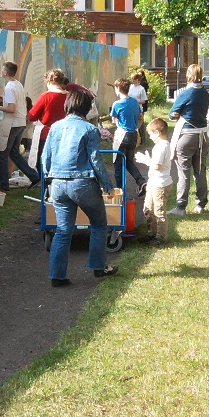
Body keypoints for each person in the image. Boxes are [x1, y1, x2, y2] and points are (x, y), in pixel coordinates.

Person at [42, 89, 118, 287]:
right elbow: (95, 161)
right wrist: (108, 186)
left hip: (57, 183)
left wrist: (49, 180)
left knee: (63, 230)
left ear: (68, 104)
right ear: (86, 107)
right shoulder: (90, 130)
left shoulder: (55, 127)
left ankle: (56, 277)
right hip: (82, 183)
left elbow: (45, 158)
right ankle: (98, 267)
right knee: (99, 224)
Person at [0, 61, 40, 191]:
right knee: (14, 153)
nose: (1, 71)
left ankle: (3, 185)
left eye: (2, 69)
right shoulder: (17, 85)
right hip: (20, 123)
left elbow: (11, 108)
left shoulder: (9, 87)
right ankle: (34, 176)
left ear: (6, 72)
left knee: (2, 153)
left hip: (12, 124)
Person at [168, 64, 209, 216]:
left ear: (189, 75)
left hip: (187, 135)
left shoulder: (186, 93)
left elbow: (172, 114)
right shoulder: (205, 93)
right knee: (200, 171)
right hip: (203, 135)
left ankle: (181, 207)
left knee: (184, 172)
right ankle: (201, 205)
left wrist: (177, 115)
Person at [135, 117, 173, 244]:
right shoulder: (159, 146)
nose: (150, 137)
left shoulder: (162, 146)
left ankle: (160, 238)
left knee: (158, 211)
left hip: (160, 184)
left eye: (151, 134)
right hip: (153, 182)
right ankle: (152, 234)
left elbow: (157, 165)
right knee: (148, 209)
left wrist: (144, 160)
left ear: (157, 132)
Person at [27, 68, 70, 171]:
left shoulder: (46, 96)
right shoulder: (69, 96)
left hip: (47, 133)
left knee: (43, 163)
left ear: (49, 81)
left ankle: (45, 185)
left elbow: (32, 116)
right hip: (66, 133)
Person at [110, 78, 146, 196]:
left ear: (118, 89)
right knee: (129, 162)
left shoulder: (117, 104)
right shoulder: (135, 102)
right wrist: (136, 127)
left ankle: (120, 191)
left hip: (122, 135)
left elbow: (114, 120)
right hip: (133, 134)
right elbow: (141, 117)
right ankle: (140, 181)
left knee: (118, 164)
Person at [129, 70, 150, 145]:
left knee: (139, 124)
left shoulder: (141, 89)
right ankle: (133, 139)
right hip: (130, 107)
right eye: (132, 79)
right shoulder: (130, 87)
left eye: (134, 79)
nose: (132, 81)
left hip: (138, 108)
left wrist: (136, 101)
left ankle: (142, 139)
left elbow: (144, 101)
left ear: (137, 80)